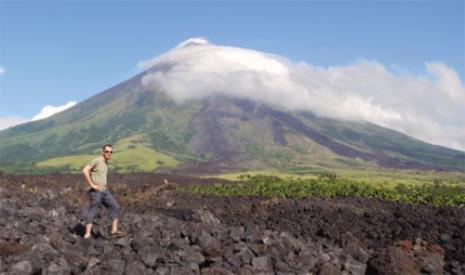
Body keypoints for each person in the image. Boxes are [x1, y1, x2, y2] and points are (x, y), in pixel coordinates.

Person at [82, 144, 124, 238]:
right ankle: (87, 234)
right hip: (96, 191)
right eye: (107, 151)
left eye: (110, 152)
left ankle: (114, 230)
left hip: (105, 191)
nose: (109, 153)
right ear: (103, 151)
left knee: (115, 207)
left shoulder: (105, 162)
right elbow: (85, 170)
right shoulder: (97, 160)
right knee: (93, 210)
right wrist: (92, 184)